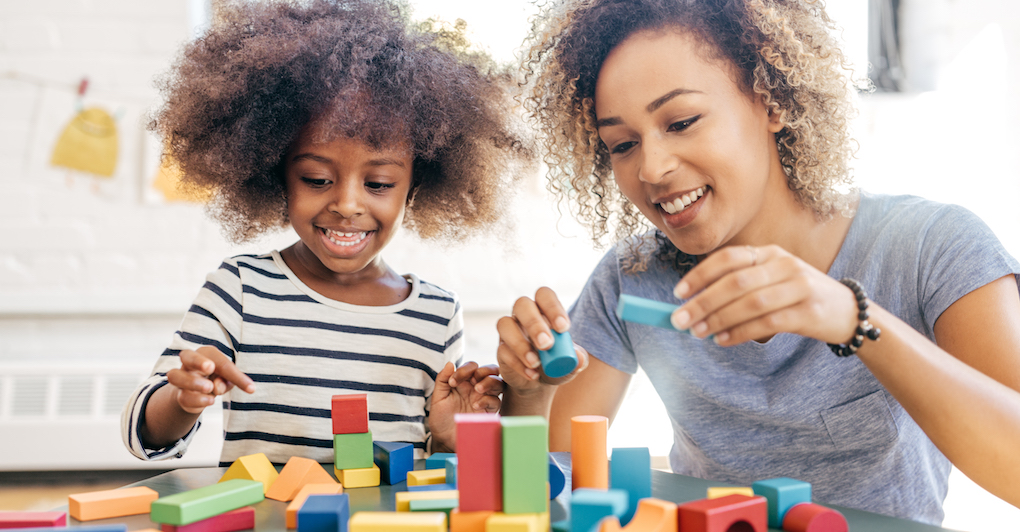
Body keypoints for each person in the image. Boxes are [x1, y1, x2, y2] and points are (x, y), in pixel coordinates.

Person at [496, 0, 1020, 524]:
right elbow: (552, 485)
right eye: (623, 144)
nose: (652, 169)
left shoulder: (931, 246)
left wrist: (853, 319)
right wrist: (528, 395)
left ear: (771, 102)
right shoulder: (632, 280)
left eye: (681, 121)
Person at [121, 0, 532, 466]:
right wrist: (182, 400)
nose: (347, 204)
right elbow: (143, 436)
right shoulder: (240, 289)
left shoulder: (435, 315)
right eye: (317, 179)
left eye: (378, 184)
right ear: (275, 174)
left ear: (416, 186)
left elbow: (428, 470)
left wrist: (448, 437)